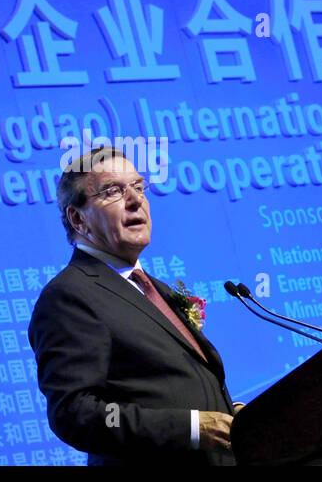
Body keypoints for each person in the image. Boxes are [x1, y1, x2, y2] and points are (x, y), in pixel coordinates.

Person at [28, 147, 241, 465]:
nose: (135, 200)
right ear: (78, 218)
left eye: (139, 187)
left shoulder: (153, 288)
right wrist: (193, 429)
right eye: (113, 191)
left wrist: (231, 416)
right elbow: (75, 413)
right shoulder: (69, 296)